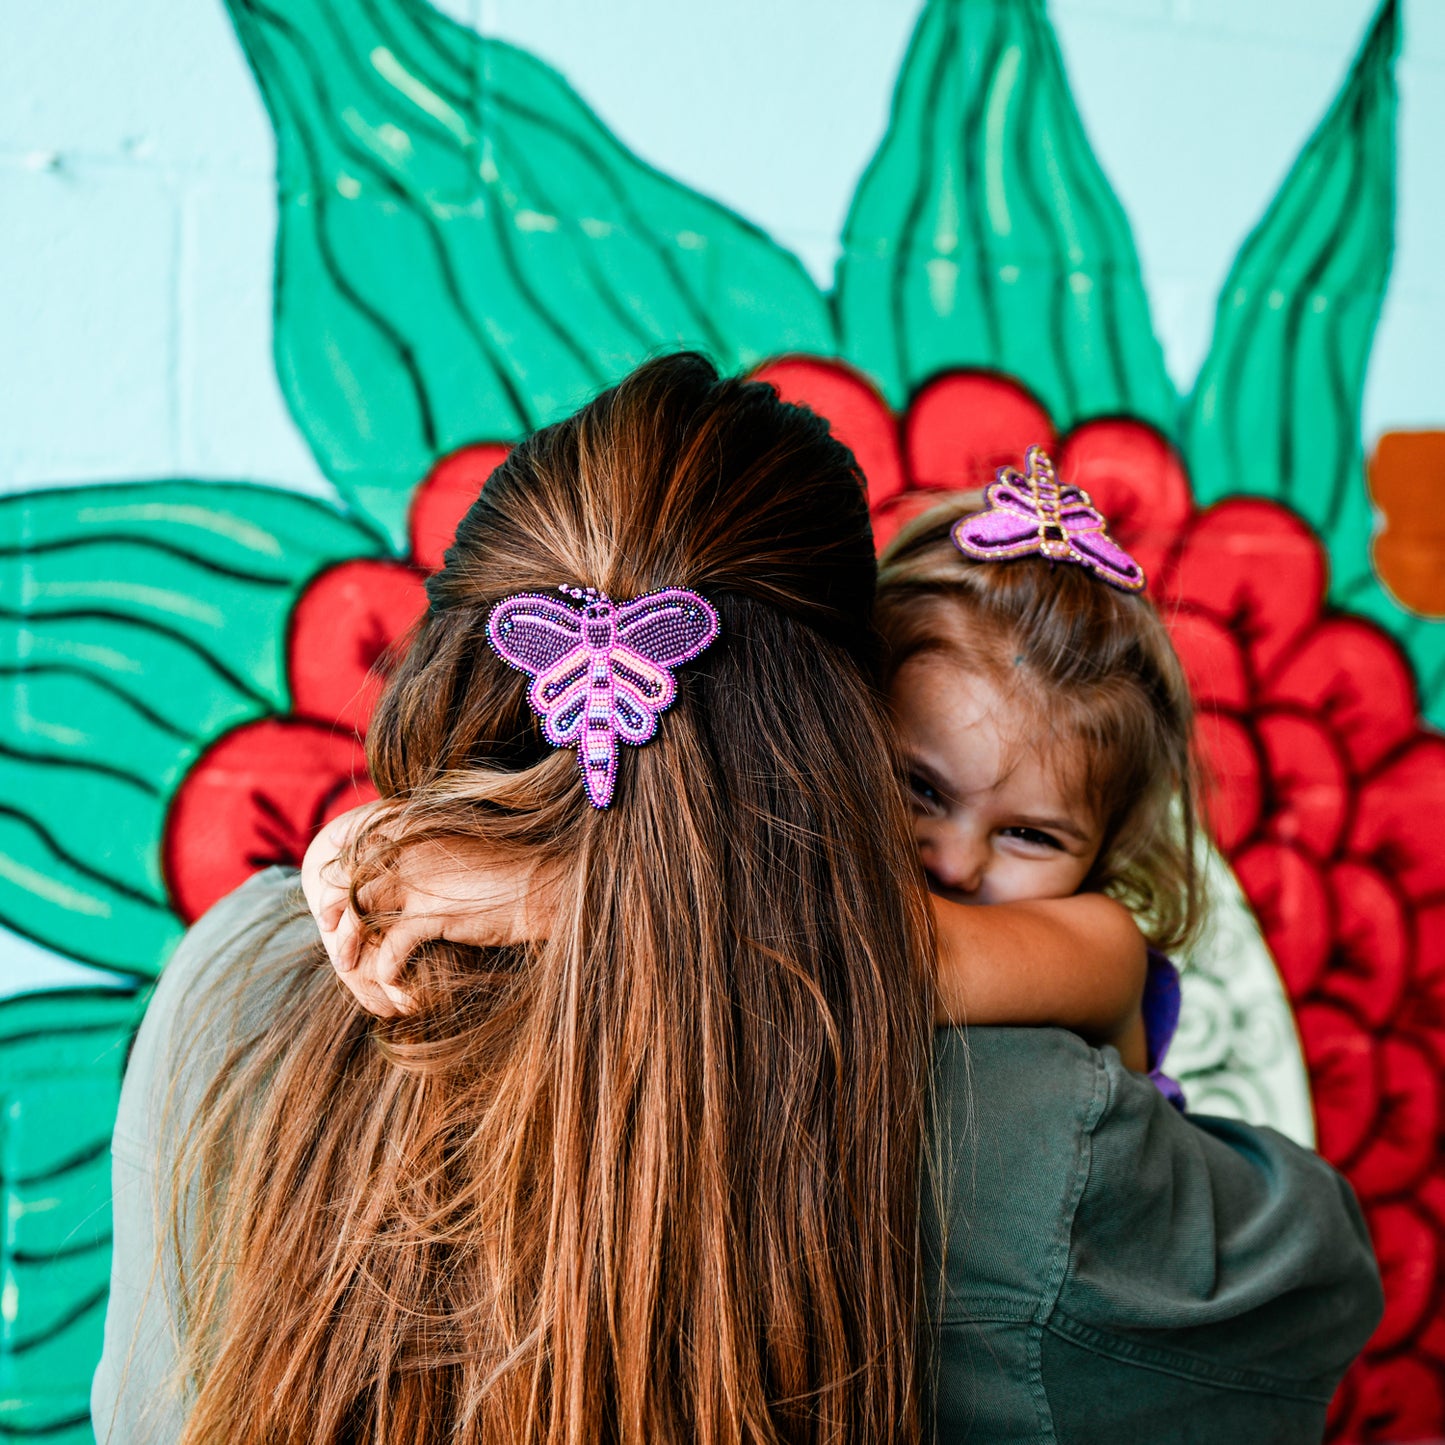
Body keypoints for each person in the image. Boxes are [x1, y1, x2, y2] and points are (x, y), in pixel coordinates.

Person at [94, 355, 1382, 1444]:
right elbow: (1316, 1291)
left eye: (1034, 831)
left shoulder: (240, 968)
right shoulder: (1008, 1149)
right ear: (831, 735)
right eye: (913, 787)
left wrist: (558, 878)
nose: (956, 858)